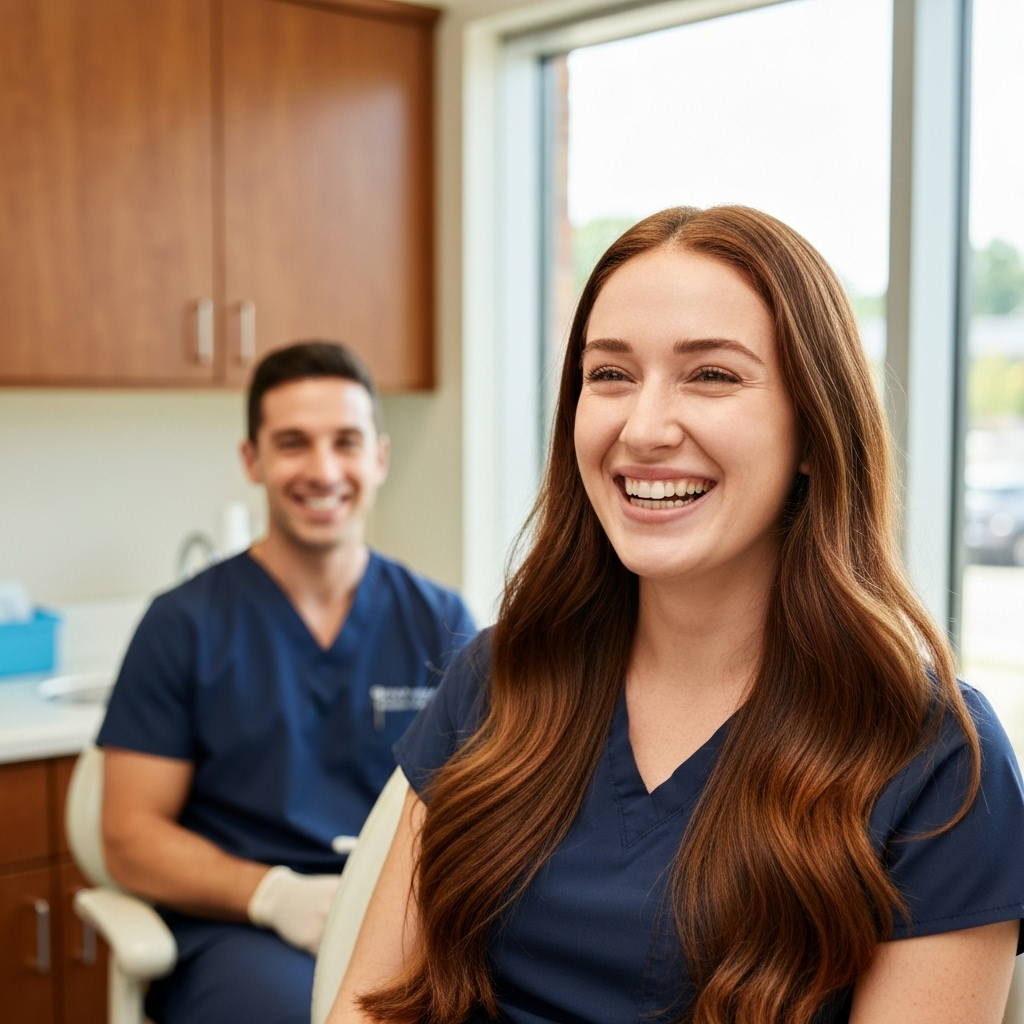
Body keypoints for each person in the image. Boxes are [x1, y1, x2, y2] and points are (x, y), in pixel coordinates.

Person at [329, 207, 1024, 1024]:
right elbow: (370, 1009)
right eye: (610, 375)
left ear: (814, 430)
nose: (644, 428)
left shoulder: (938, 763)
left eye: (712, 376)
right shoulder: (498, 679)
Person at [97, 341, 476, 1024]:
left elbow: (480, 808)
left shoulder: (440, 622)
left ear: (379, 457)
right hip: (241, 930)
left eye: (346, 442)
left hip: (401, 919)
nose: (323, 470)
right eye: (293, 443)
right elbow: (129, 836)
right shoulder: (183, 624)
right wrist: (273, 895)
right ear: (253, 460)